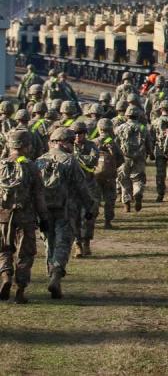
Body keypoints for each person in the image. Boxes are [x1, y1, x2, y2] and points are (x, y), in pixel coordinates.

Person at [37, 127, 94, 299]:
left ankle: (51, 274)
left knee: (49, 242)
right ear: (65, 142)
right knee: (63, 243)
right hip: (66, 209)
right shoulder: (70, 160)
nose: (73, 146)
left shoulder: (38, 161)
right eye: (71, 142)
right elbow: (81, 187)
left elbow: (33, 189)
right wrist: (90, 207)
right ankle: (56, 274)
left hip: (44, 210)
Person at [0, 129, 48, 304]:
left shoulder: (1, 165)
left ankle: (5, 276)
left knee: (4, 249)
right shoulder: (32, 167)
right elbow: (39, 196)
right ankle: (20, 289)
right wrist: (44, 218)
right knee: (25, 253)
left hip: (3, 216)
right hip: (25, 217)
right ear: (27, 146)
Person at [71, 122, 100, 258]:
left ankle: (87, 242)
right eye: (75, 133)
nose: (77, 136)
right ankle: (77, 244)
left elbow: (94, 159)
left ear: (85, 134)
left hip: (89, 185)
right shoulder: (68, 146)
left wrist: (77, 158)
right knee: (74, 215)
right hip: (74, 187)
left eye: (80, 133)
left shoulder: (91, 145)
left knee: (90, 215)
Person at [115, 106, 152, 212]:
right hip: (139, 158)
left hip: (124, 157)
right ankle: (138, 193)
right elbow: (148, 142)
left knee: (124, 180)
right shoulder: (143, 128)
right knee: (138, 179)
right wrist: (151, 153)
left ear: (127, 116)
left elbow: (115, 142)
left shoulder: (120, 128)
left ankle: (126, 205)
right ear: (138, 116)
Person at [91, 118, 121, 229]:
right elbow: (120, 158)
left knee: (95, 198)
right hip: (109, 176)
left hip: (95, 175)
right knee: (109, 199)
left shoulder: (93, 142)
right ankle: (108, 222)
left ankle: (92, 221)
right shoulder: (113, 142)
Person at [149, 100, 168, 202]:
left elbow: (151, 138)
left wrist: (150, 152)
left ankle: (160, 194)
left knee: (160, 173)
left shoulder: (155, 122)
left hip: (159, 149)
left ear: (161, 109)